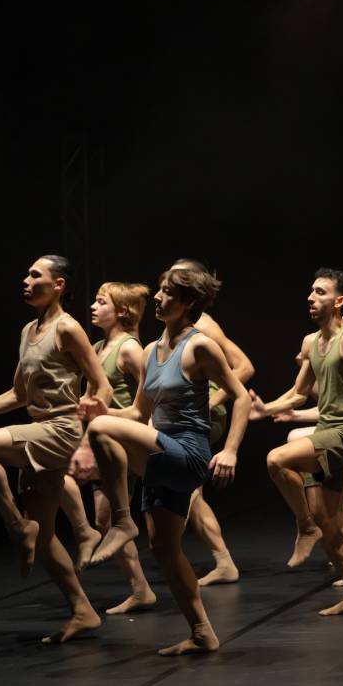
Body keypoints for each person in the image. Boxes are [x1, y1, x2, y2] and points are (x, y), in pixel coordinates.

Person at [0, 256, 111, 643]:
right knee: (46, 537)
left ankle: (17, 527)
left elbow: (101, 388)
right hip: (40, 428)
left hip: (61, 429)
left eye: (36, 275)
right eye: (27, 274)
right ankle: (83, 610)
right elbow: (18, 393)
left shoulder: (68, 328)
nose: (26, 280)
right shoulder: (29, 329)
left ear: (59, 284)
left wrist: (86, 442)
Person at [81, 264, 250, 655]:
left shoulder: (200, 345)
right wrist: (96, 410)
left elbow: (240, 395)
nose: (157, 298)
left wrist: (230, 450)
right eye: (158, 290)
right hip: (160, 450)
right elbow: (139, 414)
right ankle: (201, 632)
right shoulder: (148, 351)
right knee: (163, 549)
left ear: (188, 302)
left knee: (103, 432)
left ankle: (122, 523)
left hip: (188, 452)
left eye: (167, 293)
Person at [248, 269, 343, 615]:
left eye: (319, 292)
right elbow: (298, 393)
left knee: (276, 460)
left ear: (339, 302)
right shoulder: (311, 343)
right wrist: (265, 408)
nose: (310, 298)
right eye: (310, 292)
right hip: (327, 428)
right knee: (330, 526)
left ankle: (304, 527)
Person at [59, 282, 159, 614]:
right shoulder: (98, 346)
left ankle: (149, 586)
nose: (92, 306)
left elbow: (144, 408)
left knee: (117, 517)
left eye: (101, 302)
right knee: (106, 519)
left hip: (124, 441)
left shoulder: (131, 350)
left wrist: (104, 414)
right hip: (103, 443)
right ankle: (140, 589)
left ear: (122, 311)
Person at [170, 258, 254, 587]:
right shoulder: (178, 324)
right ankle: (220, 561)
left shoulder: (204, 326)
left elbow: (244, 367)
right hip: (183, 416)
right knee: (190, 491)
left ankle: (175, 555)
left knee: (186, 487)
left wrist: (214, 400)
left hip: (204, 418)